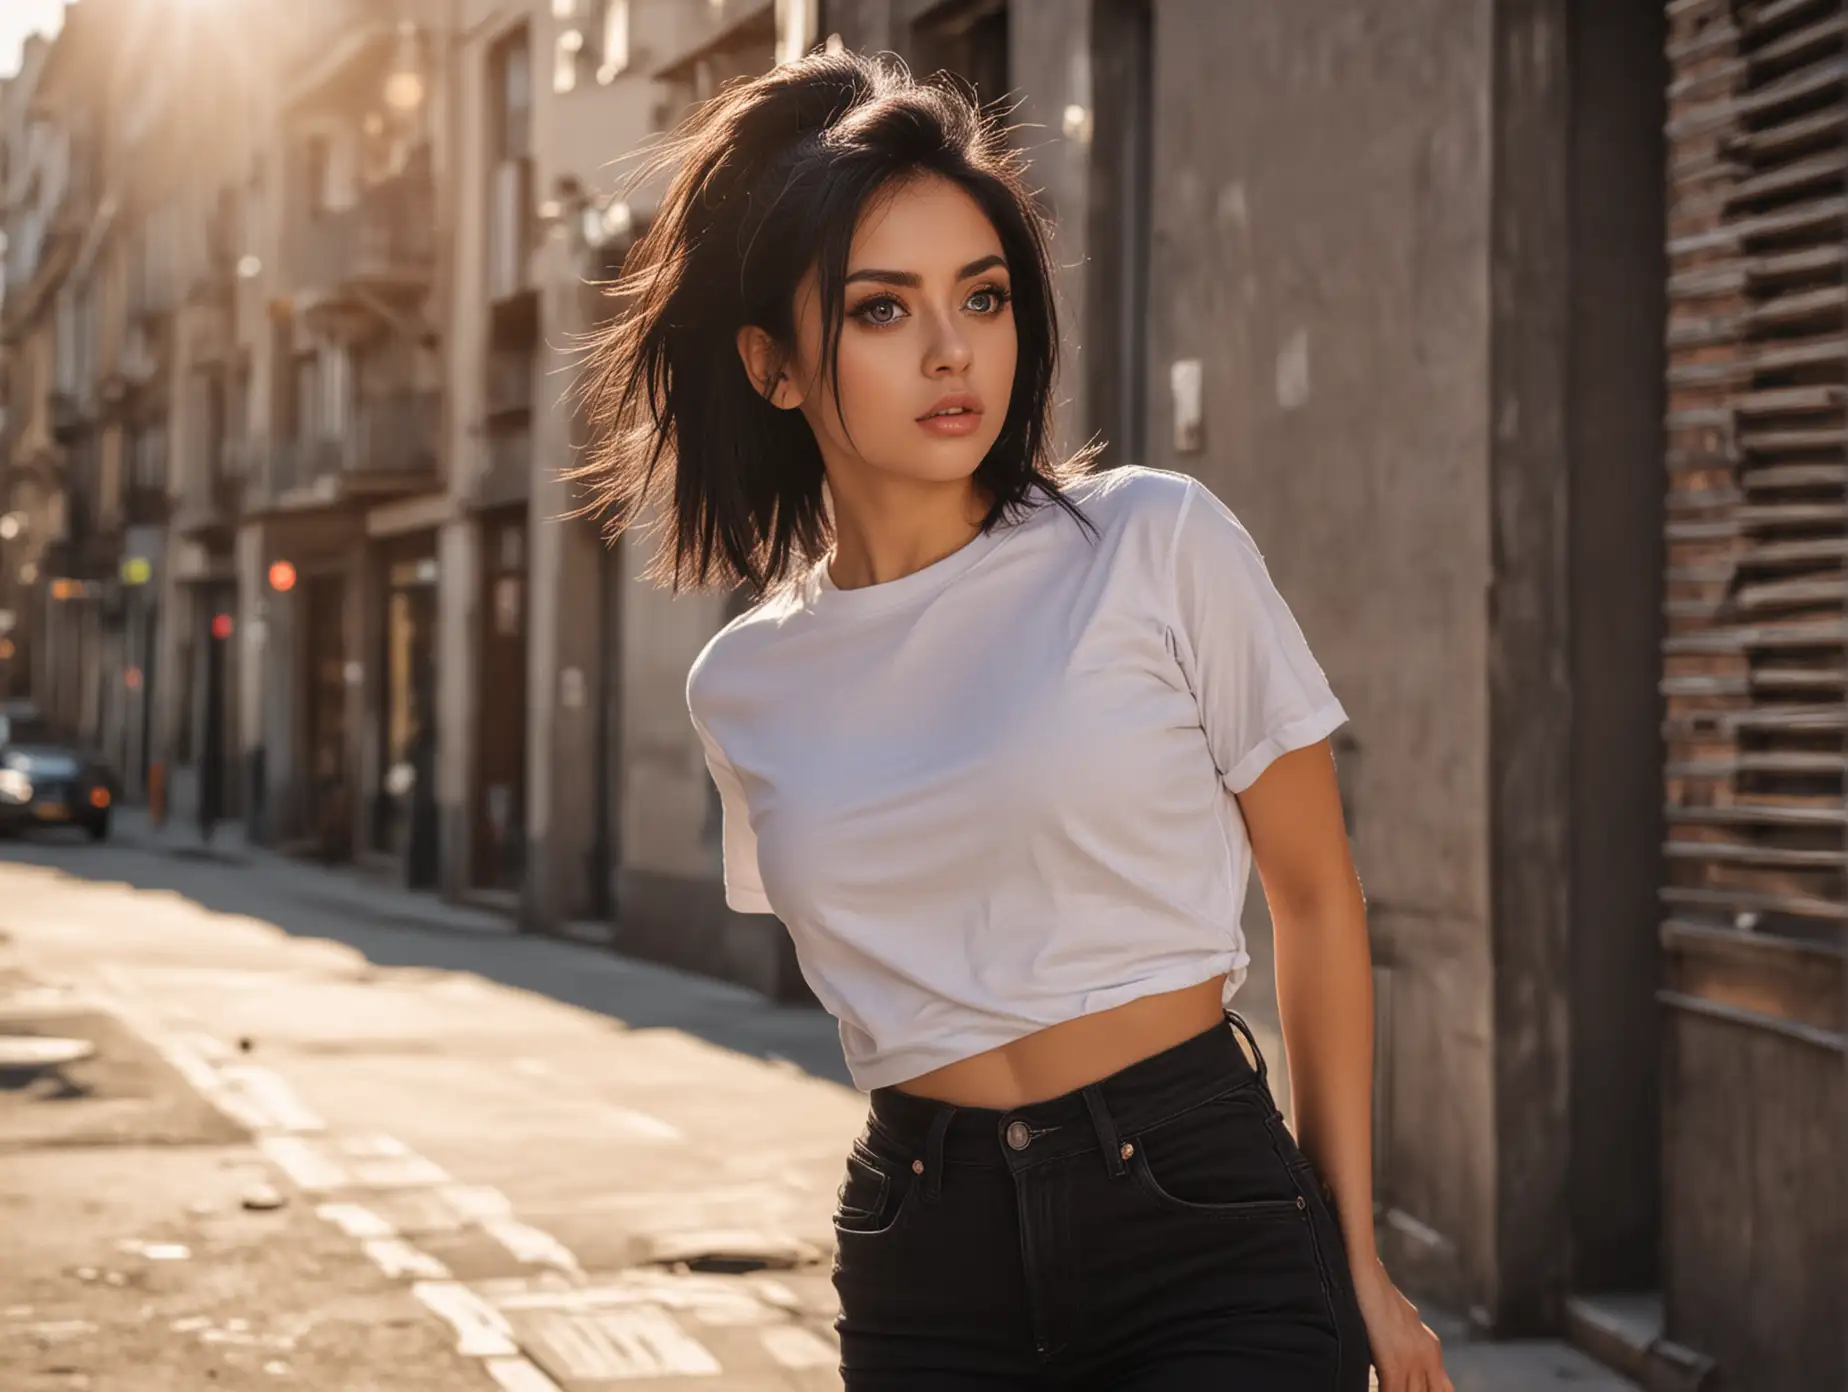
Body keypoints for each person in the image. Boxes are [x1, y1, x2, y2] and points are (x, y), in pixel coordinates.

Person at [580, 49, 1451, 1392]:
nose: (951, 351)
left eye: (981, 297)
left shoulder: (1155, 545)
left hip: (1199, 1213)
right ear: (772, 367)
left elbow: (1320, 902)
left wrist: (1358, 1257)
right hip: (927, 1245)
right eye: (882, 310)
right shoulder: (742, 690)